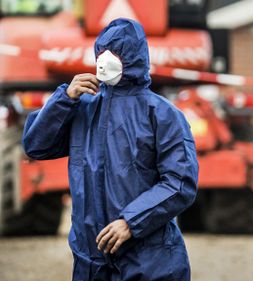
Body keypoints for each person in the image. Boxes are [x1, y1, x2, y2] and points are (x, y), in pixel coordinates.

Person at [22, 18, 198, 281]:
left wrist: (131, 222)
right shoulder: (83, 107)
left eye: (116, 52)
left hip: (150, 262)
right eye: (102, 51)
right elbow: (35, 146)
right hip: (90, 263)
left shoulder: (162, 114)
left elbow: (180, 182)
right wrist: (63, 99)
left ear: (135, 56)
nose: (106, 59)